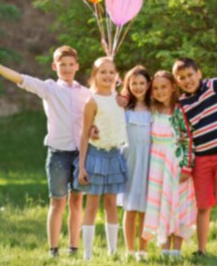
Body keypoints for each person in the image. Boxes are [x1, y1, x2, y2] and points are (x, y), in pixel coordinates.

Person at [0, 46, 90, 258]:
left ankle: (74, 248)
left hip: (80, 155)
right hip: (58, 153)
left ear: (77, 66)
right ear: (54, 67)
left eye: (70, 64)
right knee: (58, 202)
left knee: (77, 202)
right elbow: (21, 79)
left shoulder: (86, 93)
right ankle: (53, 250)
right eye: (62, 65)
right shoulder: (49, 88)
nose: (66, 68)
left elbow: (99, 110)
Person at [172, 29, 217, 258]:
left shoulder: (212, 86)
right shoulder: (181, 104)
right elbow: (183, 135)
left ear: (199, 73)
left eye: (189, 75)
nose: (187, 80)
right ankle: (201, 249)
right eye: (181, 78)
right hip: (201, 159)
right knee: (203, 206)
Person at [74, 57, 128, 261]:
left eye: (111, 72)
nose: (107, 76)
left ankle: (112, 252)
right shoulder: (92, 101)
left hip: (114, 155)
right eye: (102, 72)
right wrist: (81, 167)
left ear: (116, 75)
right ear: (94, 75)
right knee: (92, 205)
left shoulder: (119, 98)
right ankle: (87, 254)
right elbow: (84, 134)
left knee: (112, 204)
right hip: (96, 156)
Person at [142, 71, 196, 259]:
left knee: (176, 203)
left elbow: (188, 139)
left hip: (176, 163)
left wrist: (187, 166)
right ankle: (164, 249)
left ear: (173, 87)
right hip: (157, 165)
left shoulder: (179, 111)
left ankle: (176, 251)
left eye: (163, 87)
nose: (159, 91)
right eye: (155, 88)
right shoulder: (152, 110)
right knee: (161, 204)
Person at [119, 65, 153, 261]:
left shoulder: (153, 108)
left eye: (142, 83)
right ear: (128, 85)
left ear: (148, 84)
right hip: (130, 158)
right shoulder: (124, 108)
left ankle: (143, 249)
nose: (138, 87)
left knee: (146, 207)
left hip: (149, 159)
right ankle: (130, 249)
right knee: (130, 206)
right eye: (134, 83)